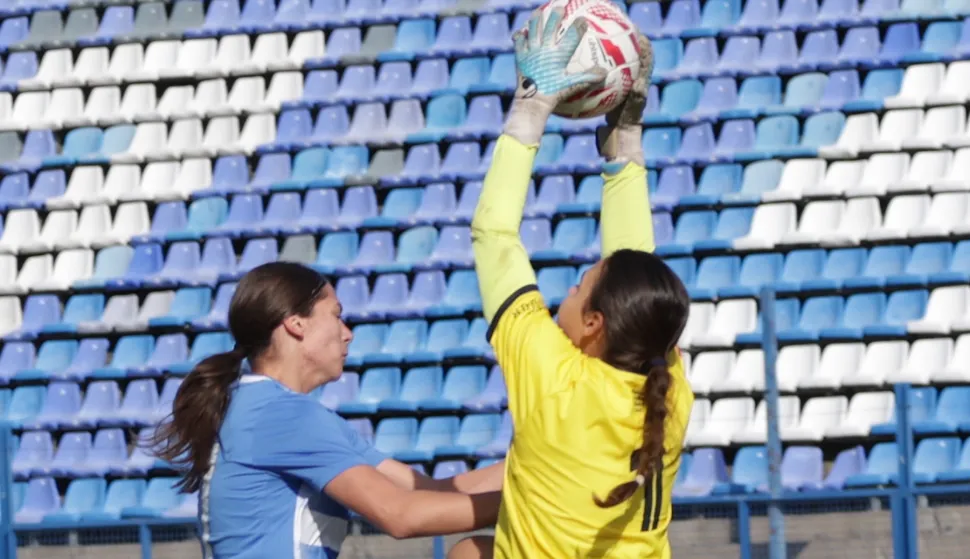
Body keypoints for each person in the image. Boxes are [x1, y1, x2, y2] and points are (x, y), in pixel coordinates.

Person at [449, 8, 693, 559]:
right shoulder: (669, 388)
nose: (570, 290)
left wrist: (531, 107)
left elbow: (493, 234)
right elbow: (635, 267)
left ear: (593, 323)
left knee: (467, 552)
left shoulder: (551, 374)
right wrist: (625, 144)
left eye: (581, 286)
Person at [151, 261, 505, 559]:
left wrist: (539, 463)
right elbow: (401, 515)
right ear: (296, 324)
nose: (347, 333)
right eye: (336, 316)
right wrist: (541, 503)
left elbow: (429, 490)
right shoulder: (283, 415)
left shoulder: (265, 407)